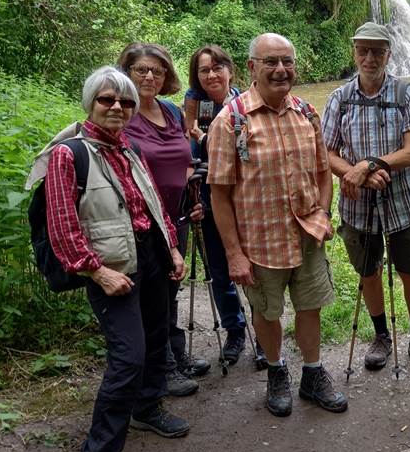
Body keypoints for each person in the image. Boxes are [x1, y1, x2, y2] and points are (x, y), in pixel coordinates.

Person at [33, 66, 187, 452]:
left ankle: (148, 407)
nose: (117, 107)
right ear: (90, 103)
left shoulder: (129, 147)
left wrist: (172, 248)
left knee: (157, 340)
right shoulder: (69, 154)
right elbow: (63, 223)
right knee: (128, 357)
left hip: (149, 257)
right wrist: (95, 270)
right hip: (111, 266)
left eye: (124, 102)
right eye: (107, 100)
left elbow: (152, 203)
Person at [207, 33, 348, 416]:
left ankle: (313, 374)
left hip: (307, 235)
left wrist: (322, 214)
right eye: (271, 62)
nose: (281, 69)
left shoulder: (306, 113)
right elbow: (219, 194)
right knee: (267, 311)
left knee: (310, 306)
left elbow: (323, 172)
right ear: (252, 67)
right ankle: (276, 370)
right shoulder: (230, 121)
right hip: (260, 241)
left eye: (287, 61)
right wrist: (234, 253)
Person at [321, 22, 410, 373]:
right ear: (354, 52)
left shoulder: (405, 94)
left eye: (378, 51)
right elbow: (326, 153)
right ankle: (381, 335)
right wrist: (354, 173)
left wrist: (368, 166)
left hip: (402, 202)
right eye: (363, 51)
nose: (370, 58)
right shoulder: (339, 99)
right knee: (368, 272)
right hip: (357, 206)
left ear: (388, 54)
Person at [117, 43, 208, 397]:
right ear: (126, 73)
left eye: (157, 70)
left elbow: (182, 160)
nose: (150, 76)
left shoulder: (171, 112)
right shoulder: (122, 114)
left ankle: (175, 355)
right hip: (141, 224)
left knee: (170, 290)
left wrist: (191, 195)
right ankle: (161, 369)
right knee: (150, 299)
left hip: (177, 216)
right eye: (141, 70)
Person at [184, 44, 262, 367]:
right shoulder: (192, 103)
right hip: (207, 196)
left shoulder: (244, 104)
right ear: (197, 76)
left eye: (217, 68)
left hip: (243, 197)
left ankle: (264, 334)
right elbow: (185, 146)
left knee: (255, 267)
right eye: (204, 70)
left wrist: (206, 138)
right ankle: (235, 330)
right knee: (219, 270)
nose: (212, 75)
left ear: (231, 70)